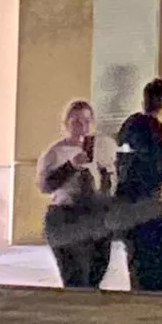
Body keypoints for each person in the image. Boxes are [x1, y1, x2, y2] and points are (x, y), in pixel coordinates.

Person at [37, 99, 115, 289]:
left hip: (96, 216)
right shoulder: (56, 152)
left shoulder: (102, 146)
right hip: (67, 216)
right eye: (76, 122)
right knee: (76, 277)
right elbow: (45, 185)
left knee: (95, 273)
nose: (83, 128)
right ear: (66, 125)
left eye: (87, 122)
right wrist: (71, 166)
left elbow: (109, 180)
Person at [114, 77, 162, 293]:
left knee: (138, 271)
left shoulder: (129, 128)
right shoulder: (156, 134)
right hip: (152, 216)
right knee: (157, 275)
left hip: (130, 211)